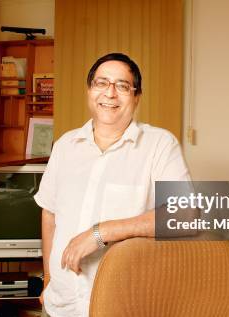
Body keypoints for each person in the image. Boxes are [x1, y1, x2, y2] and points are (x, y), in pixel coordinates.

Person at [33, 53, 190, 317]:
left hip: (123, 306)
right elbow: (49, 213)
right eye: (101, 83)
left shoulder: (160, 145)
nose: (110, 93)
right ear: (89, 90)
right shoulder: (64, 146)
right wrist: (48, 277)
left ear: (136, 96)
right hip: (61, 305)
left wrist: (101, 232)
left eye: (122, 86)